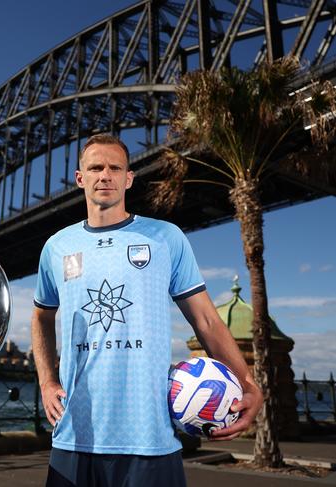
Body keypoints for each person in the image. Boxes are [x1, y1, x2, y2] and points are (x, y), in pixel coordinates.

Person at [31, 133, 263, 487]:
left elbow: (206, 319)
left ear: (129, 178)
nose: (104, 175)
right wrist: (47, 382)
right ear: (80, 179)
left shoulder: (165, 238)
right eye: (95, 167)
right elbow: (41, 316)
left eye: (115, 167)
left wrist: (247, 383)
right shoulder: (56, 247)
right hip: (75, 436)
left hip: (150, 440)